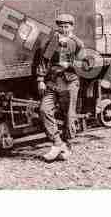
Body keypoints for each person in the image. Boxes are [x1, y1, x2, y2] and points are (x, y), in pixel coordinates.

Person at [36, 13, 84, 161]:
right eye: (61, 26)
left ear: (72, 27)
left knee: (69, 116)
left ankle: (67, 146)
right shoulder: (53, 41)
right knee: (44, 110)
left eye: (66, 26)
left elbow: (84, 65)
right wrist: (40, 79)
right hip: (53, 82)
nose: (63, 29)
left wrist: (70, 64)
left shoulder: (77, 43)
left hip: (70, 83)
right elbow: (44, 60)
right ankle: (57, 143)